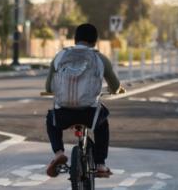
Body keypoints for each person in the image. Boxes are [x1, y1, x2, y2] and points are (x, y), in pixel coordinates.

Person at [44, 23, 123, 178]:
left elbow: (48, 87)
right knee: (103, 121)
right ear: (95, 41)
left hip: (63, 113)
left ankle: (59, 153)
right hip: (89, 113)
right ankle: (100, 164)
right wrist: (116, 90)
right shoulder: (100, 58)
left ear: (75, 39)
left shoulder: (60, 56)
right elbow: (115, 86)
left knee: (50, 118)